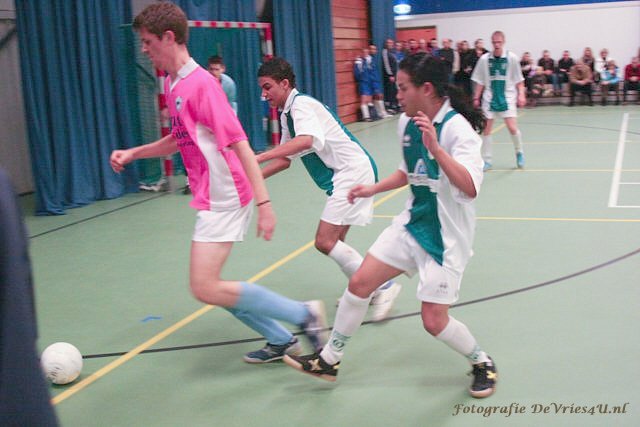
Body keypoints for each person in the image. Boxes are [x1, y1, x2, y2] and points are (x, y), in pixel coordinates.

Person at [110, 2, 328, 365]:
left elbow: (241, 145)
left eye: (148, 42)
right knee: (211, 287)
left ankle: (304, 315)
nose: (144, 49)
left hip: (226, 194)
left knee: (204, 285)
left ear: (168, 37)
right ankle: (280, 338)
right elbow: (179, 138)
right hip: (211, 194)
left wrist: (264, 204)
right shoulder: (173, 83)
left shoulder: (202, 86)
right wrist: (135, 153)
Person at [283, 54, 497, 399]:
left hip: (445, 240)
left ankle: (481, 361)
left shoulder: (456, 129)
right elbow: (408, 171)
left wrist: (437, 150)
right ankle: (329, 360)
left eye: (403, 87)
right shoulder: (407, 123)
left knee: (434, 321)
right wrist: (373, 188)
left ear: (427, 89)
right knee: (360, 283)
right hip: (411, 226)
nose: (397, 94)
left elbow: (470, 187)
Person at [256, 57, 402, 322]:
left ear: (284, 84)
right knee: (336, 241)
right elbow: (285, 159)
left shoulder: (301, 106)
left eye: (268, 87)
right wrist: (253, 178)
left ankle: (381, 286)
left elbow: (306, 141)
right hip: (347, 174)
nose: (264, 95)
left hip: (352, 172)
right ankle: (364, 290)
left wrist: (259, 157)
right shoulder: (288, 113)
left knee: (325, 241)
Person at [471, 31, 526, 170]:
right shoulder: (484, 60)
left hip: (507, 97)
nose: (496, 45)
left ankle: (519, 152)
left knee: (512, 128)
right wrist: (476, 97)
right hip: (489, 98)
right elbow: (480, 81)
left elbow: (519, 80)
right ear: (491, 42)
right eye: (494, 42)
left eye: (499, 42)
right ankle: (487, 160)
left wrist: (521, 95)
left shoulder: (512, 58)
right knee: (486, 129)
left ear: (503, 42)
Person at [354, 46, 390, 121]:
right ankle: (366, 117)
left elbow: (373, 72)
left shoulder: (370, 60)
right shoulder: (359, 61)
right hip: (364, 82)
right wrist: (361, 79)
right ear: (361, 53)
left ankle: (378, 114)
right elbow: (357, 73)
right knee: (364, 99)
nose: (365, 54)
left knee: (372, 98)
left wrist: (374, 82)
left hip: (371, 82)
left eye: (366, 52)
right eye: (364, 52)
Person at [382, 38, 399, 113]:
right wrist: (390, 75)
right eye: (389, 43)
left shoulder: (392, 52)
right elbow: (386, 64)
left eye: (391, 43)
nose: (390, 44)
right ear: (386, 44)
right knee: (389, 91)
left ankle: (394, 105)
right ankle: (389, 107)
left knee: (394, 90)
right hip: (390, 76)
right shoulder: (385, 52)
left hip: (395, 75)